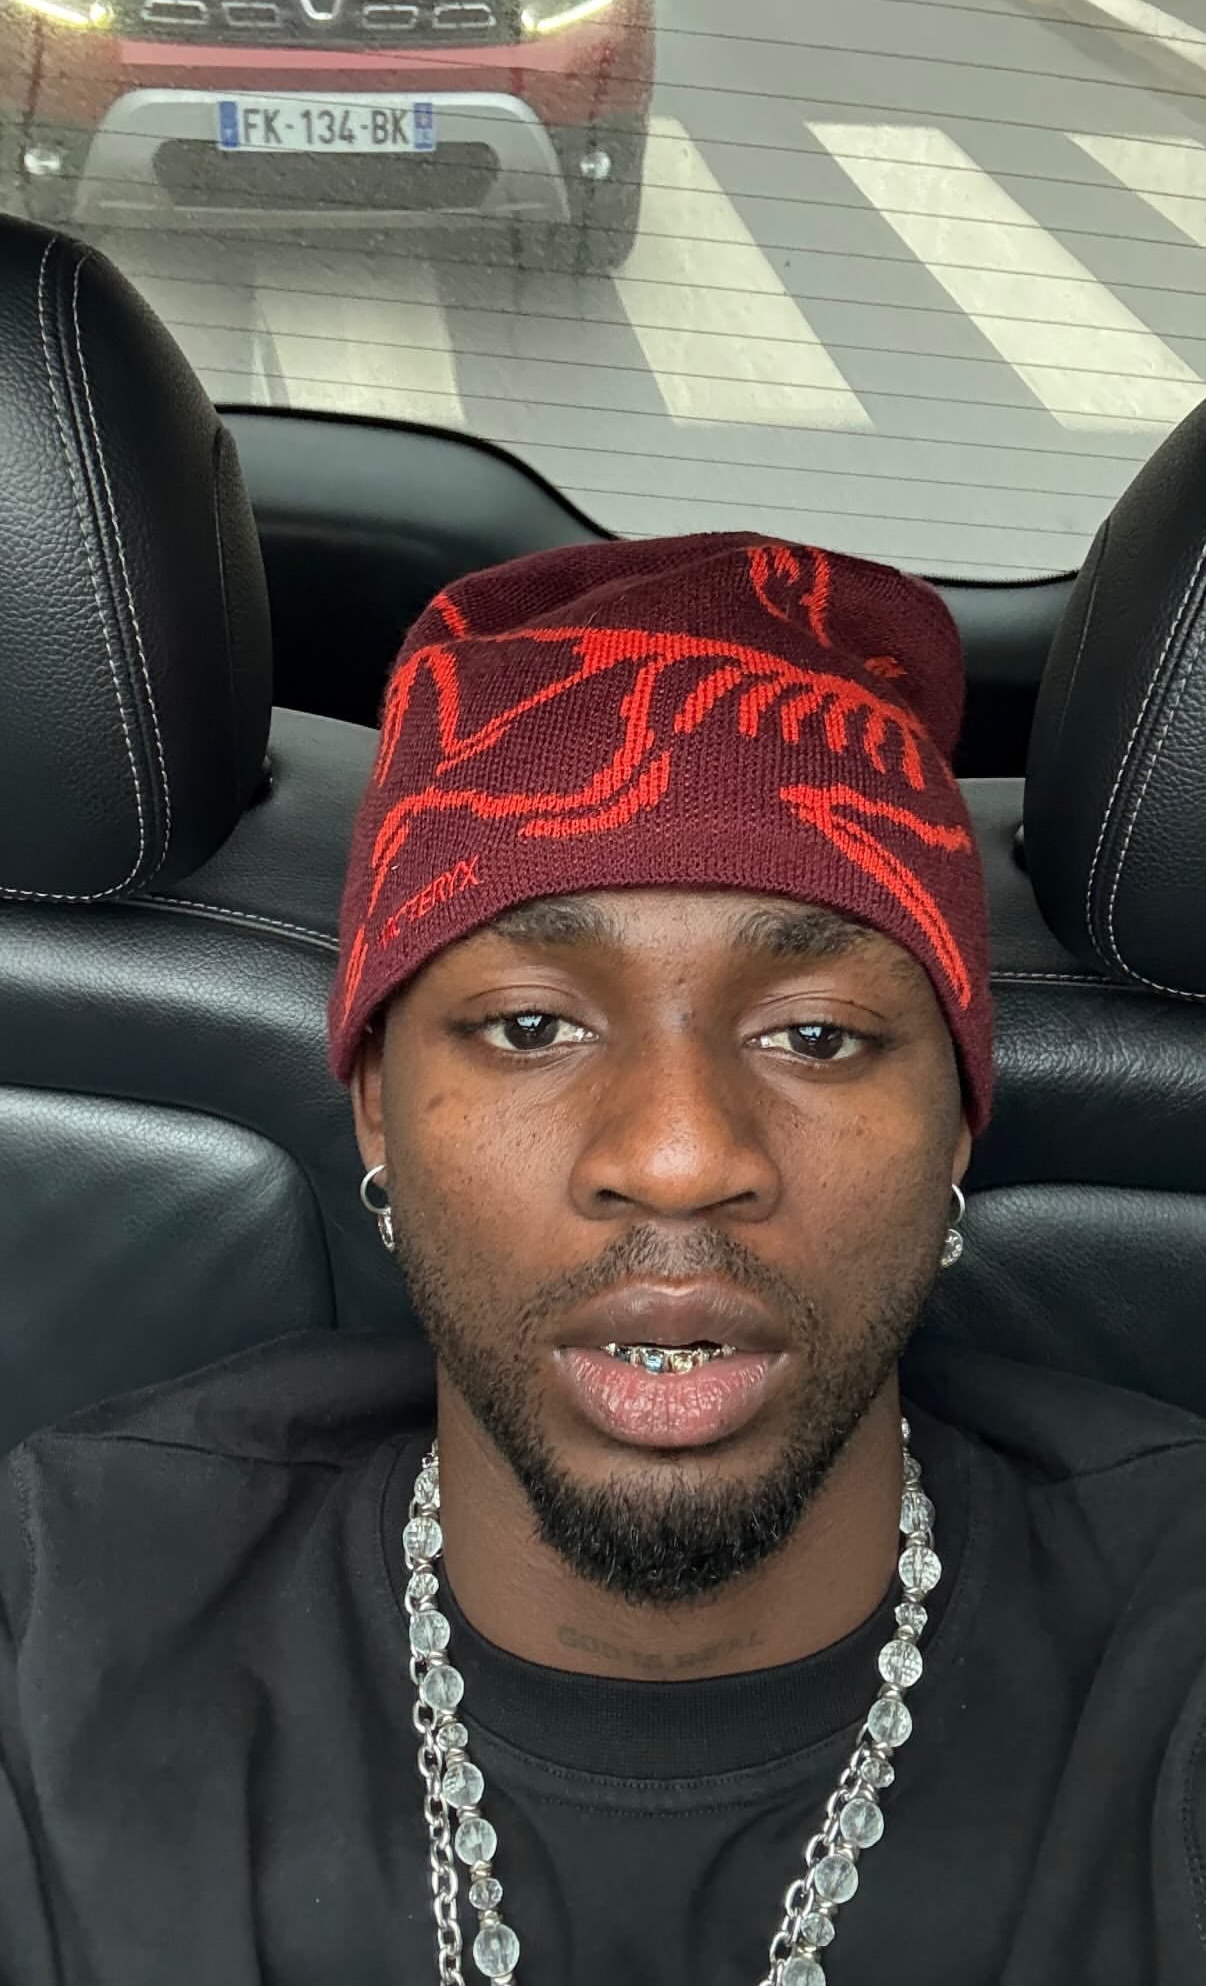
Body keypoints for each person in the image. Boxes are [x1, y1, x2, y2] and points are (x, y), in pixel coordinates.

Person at [2, 532, 1206, 1986]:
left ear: (957, 1119)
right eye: (531, 1026)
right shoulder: (61, 1616)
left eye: (816, 1035)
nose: (680, 1156)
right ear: (377, 1105)